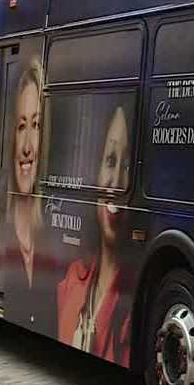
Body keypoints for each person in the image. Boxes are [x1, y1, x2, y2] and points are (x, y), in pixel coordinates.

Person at [57, 105, 133, 366]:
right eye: (110, 161)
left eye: (128, 165)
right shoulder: (71, 282)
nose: (116, 182)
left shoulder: (136, 303)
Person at [1, 57, 54, 334]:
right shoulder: (0, 227)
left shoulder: (52, 237)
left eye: (36, 125)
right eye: (21, 126)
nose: (27, 147)